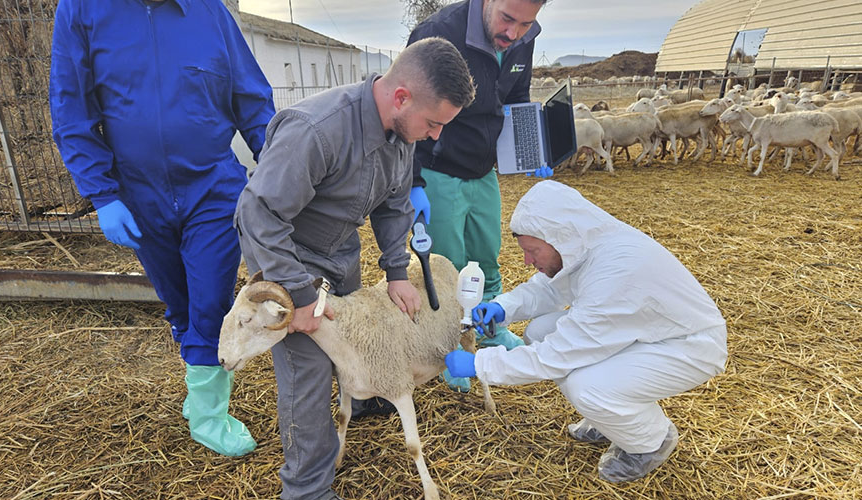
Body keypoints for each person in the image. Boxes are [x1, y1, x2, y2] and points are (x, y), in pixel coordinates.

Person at [234, 37, 475, 500]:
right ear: (401, 97)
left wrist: (398, 271)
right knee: (306, 372)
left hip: (338, 254)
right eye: (434, 122)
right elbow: (258, 215)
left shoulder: (400, 133)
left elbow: (392, 206)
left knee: (355, 340)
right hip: (287, 259)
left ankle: (361, 396)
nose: (436, 135)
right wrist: (300, 297)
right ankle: (307, 488)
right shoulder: (316, 131)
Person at [50, 0, 275, 457]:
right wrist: (104, 194)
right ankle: (199, 385)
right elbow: (70, 105)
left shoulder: (209, 13)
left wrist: (278, 172)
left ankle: (209, 413)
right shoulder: (82, 10)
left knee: (210, 303)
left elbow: (252, 100)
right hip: (138, 192)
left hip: (212, 186)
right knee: (180, 304)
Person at [444, 180, 728, 483]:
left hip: (689, 345)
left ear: (557, 238)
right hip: (651, 333)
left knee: (587, 387)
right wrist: (504, 307)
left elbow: (557, 355)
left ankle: (651, 441)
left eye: (533, 251)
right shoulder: (585, 245)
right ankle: (611, 419)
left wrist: (481, 365)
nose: (528, 260)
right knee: (540, 330)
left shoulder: (615, 272)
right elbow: (551, 289)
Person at [406, 0, 552, 393]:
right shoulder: (438, 34)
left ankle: (488, 332)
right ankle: (450, 346)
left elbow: (517, 93)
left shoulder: (523, 37)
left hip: (482, 168)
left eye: (526, 23)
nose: (513, 33)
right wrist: (414, 181)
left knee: (487, 253)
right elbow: (411, 112)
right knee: (447, 264)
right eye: (507, 18)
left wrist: (530, 144)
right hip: (440, 167)